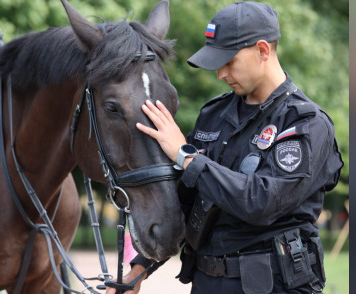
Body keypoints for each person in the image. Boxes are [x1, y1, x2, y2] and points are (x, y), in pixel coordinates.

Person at [106, 1, 343, 293]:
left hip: (275, 286)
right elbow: (183, 202)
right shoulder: (213, 116)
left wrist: (186, 156)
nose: (220, 74)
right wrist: (138, 269)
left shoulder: (306, 124)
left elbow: (261, 203)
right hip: (207, 282)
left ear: (263, 51)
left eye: (228, 61)